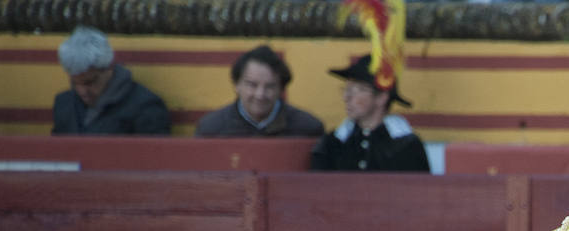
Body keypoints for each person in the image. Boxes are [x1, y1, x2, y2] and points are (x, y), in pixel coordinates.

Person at [311, 54, 429, 171]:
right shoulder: (334, 142)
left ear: (381, 98)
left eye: (359, 90)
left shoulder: (405, 145)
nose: (346, 97)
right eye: (346, 89)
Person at [52, 26, 170, 135]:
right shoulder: (64, 104)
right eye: (75, 83)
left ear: (109, 68)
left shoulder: (145, 107)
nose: (82, 91)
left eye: (90, 82)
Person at [195, 45, 324, 138]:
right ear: (236, 85)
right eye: (252, 85)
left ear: (281, 89)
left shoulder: (308, 129)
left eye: (269, 87)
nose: (260, 95)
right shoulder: (211, 129)